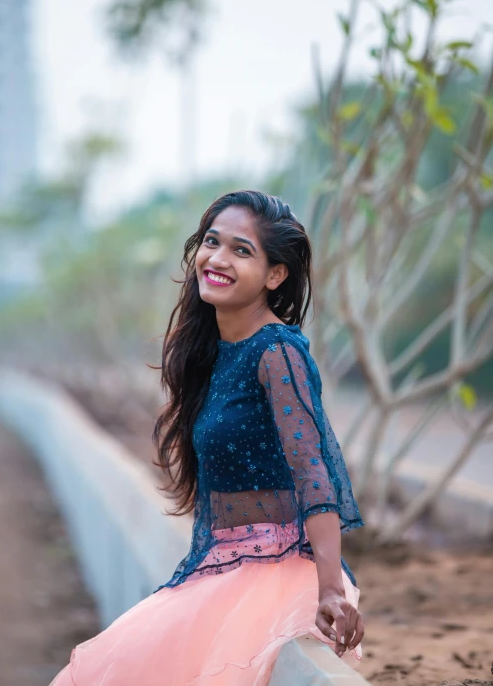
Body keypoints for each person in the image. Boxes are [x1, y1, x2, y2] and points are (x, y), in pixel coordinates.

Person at [49, 189, 365, 686]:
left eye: (242, 250)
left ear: (275, 274)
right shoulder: (215, 352)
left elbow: (312, 469)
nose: (217, 259)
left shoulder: (277, 351)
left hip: (275, 575)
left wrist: (331, 590)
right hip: (221, 567)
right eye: (212, 242)